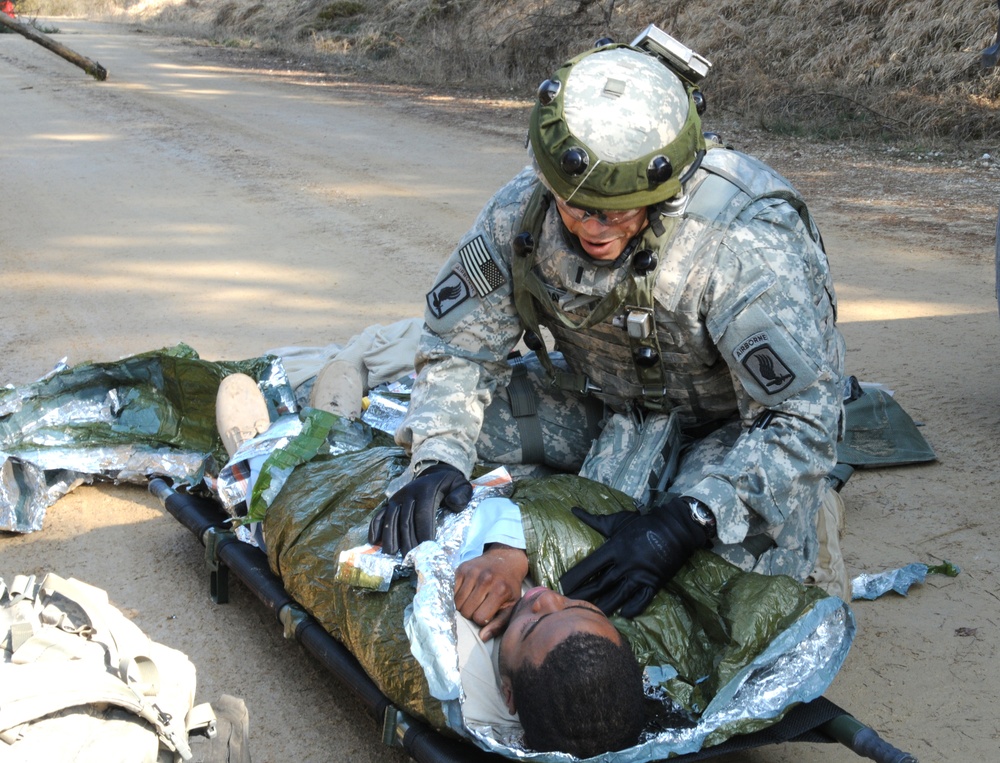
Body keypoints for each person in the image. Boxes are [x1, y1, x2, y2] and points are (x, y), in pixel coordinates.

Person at [369, 26, 850, 612]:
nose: (594, 229)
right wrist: (437, 459)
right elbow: (460, 350)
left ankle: (807, 506)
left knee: (715, 583)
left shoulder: (740, 243)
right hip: (605, 404)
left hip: (730, 431)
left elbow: (801, 419)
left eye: (617, 213)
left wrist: (686, 521)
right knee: (425, 464)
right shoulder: (523, 213)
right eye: (576, 208)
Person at [215, 373, 648, 757]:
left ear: (509, 695)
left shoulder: (450, 668)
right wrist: (508, 552)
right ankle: (325, 418)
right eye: (579, 606)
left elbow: (361, 581)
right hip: (399, 469)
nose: (546, 597)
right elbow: (557, 511)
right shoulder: (570, 646)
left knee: (285, 420)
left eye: (532, 625)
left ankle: (258, 441)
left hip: (322, 495)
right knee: (350, 382)